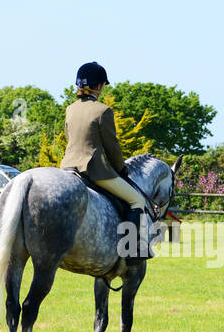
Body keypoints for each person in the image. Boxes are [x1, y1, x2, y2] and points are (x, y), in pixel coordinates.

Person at [59, 61, 153, 258]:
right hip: (94, 170)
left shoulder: (70, 109)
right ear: (100, 85)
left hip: (67, 168)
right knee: (137, 200)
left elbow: (70, 137)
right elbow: (112, 146)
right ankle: (132, 251)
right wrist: (121, 169)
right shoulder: (103, 111)